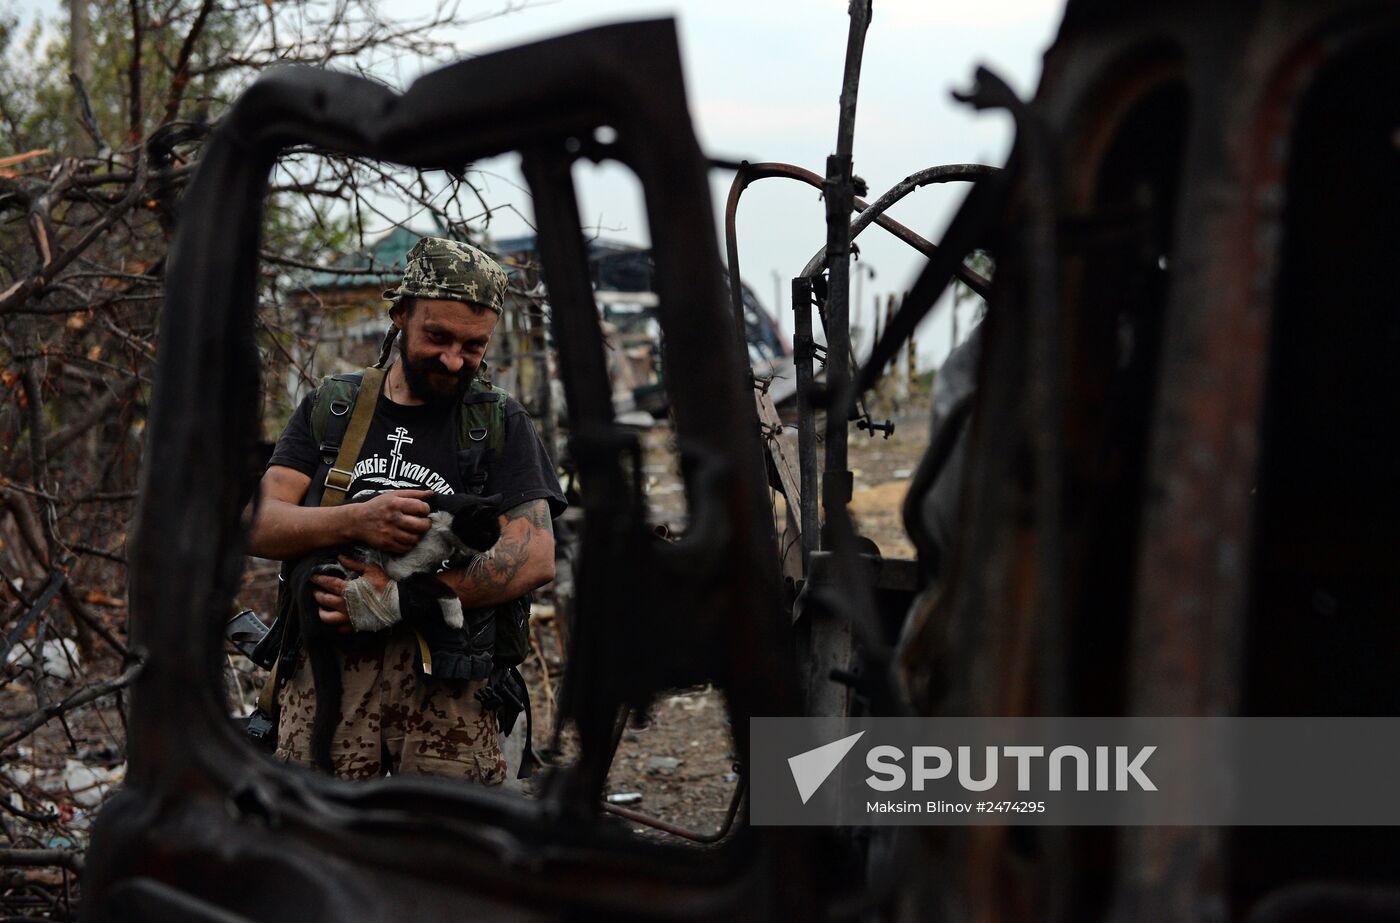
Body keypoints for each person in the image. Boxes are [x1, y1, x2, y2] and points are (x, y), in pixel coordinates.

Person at [246, 237, 565, 782]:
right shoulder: (334, 408)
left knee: (439, 858)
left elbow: (532, 555)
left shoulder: (497, 421)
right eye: (437, 336)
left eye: (473, 346)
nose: (452, 359)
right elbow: (259, 524)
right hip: (327, 690)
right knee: (323, 852)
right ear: (400, 316)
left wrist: (400, 599)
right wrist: (357, 519)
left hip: (449, 696)